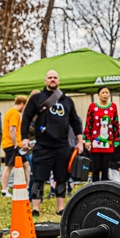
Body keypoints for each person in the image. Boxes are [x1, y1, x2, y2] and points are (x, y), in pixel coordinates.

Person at [20, 70, 84, 217]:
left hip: (62, 145)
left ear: (59, 81)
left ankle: (60, 208)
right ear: (45, 81)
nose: (52, 80)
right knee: (38, 176)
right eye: (50, 78)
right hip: (42, 144)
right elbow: (26, 119)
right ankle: (35, 208)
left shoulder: (67, 100)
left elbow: (75, 121)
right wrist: (24, 138)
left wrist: (80, 141)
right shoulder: (37, 98)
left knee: (62, 177)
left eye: (55, 77)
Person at [84, 86, 120, 183]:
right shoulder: (93, 106)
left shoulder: (113, 107)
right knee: (95, 168)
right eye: (103, 93)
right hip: (95, 142)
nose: (105, 95)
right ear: (98, 94)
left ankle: (105, 189)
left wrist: (116, 139)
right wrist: (87, 139)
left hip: (108, 143)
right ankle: (94, 189)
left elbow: (115, 124)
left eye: (107, 93)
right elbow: (89, 123)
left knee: (105, 168)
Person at [0, 95, 29, 198]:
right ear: (22, 104)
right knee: (8, 166)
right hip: (12, 145)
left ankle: (26, 187)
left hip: (13, 144)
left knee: (25, 164)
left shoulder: (10, 112)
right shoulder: (14, 113)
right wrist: (16, 144)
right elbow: (12, 129)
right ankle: (4, 189)